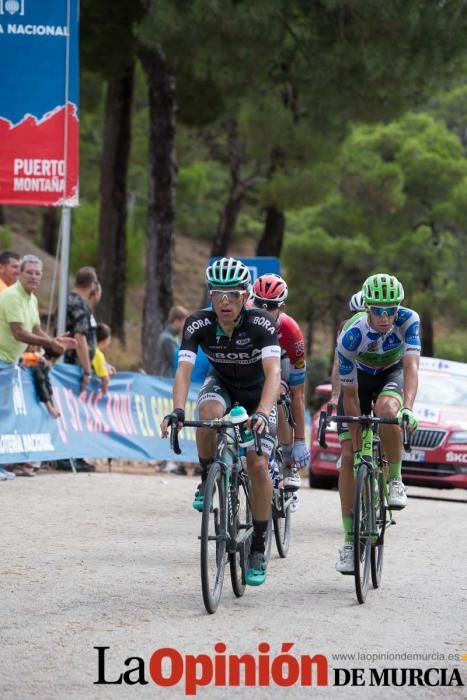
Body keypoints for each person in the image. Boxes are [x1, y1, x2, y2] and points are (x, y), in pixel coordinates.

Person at [161, 257, 281, 586]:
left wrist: (262, 411)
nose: (224, 301)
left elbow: (274, 373)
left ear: (245, 296)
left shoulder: (262, 324)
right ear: (209, 296)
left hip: (259, 393)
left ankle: (258, 544)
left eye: (232, 294)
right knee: (207, 415)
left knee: (257, 464)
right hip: (223, 384)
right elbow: (183, 371)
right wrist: (177, 409)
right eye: (217, 294)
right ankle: (207, 476)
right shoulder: (197, 324)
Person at [335, 273, 420, 574]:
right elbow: (349, 394)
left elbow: (411, 367)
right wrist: (357, 447)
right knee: (347, 459)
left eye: (391, 310)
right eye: (378, 310)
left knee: (387, 409)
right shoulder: (351, 335)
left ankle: (395, 478)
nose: (385, 318)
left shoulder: (409, 321)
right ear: (367, 307)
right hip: (358, 381)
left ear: (399, 307)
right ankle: (348, 541)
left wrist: (407, 408)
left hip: (391, 373)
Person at [0, 255, 76, 478]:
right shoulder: (13, 296)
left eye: (38, 273)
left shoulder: (31, 299)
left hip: (9, 361)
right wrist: (50, 343)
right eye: (29, 272)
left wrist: (55, 340)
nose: (34, 276)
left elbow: (35, 330)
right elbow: (19, 333)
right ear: (20, 274)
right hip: (1, 359)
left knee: (4, 412)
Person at [250, 273, 309, 491]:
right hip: (253, 363)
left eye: (271, 307)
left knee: (281, 395)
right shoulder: (243, 316)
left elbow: (299, 393)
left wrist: (300, 440)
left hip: (282, 361)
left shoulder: (292, 332)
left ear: (281, 308)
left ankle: (286, 460)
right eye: (258, 305)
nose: (263, 312)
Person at [64, 266, 103, 394]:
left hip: (71, 366)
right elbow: (80, 339)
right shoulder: (79, 305)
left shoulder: (70, 300)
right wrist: (87, 372)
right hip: (72, 368)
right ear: (92, 285)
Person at [330, 290, 365, 407]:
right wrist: (335, 395)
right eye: (357, 313)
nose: (360, 317)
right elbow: (337, 362)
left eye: (365, 313)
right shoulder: (345, 327)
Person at [156, 305, 189, 377]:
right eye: (184, 321)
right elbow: (177, 360)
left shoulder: (174, 337)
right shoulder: (167, 339)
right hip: (167, 379)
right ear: (177, 321)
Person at [92, 323, 116, 394]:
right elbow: (105, 379)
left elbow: (98, 364)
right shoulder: (99, 355)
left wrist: (108, 367)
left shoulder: (91, 350)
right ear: (105, 340)